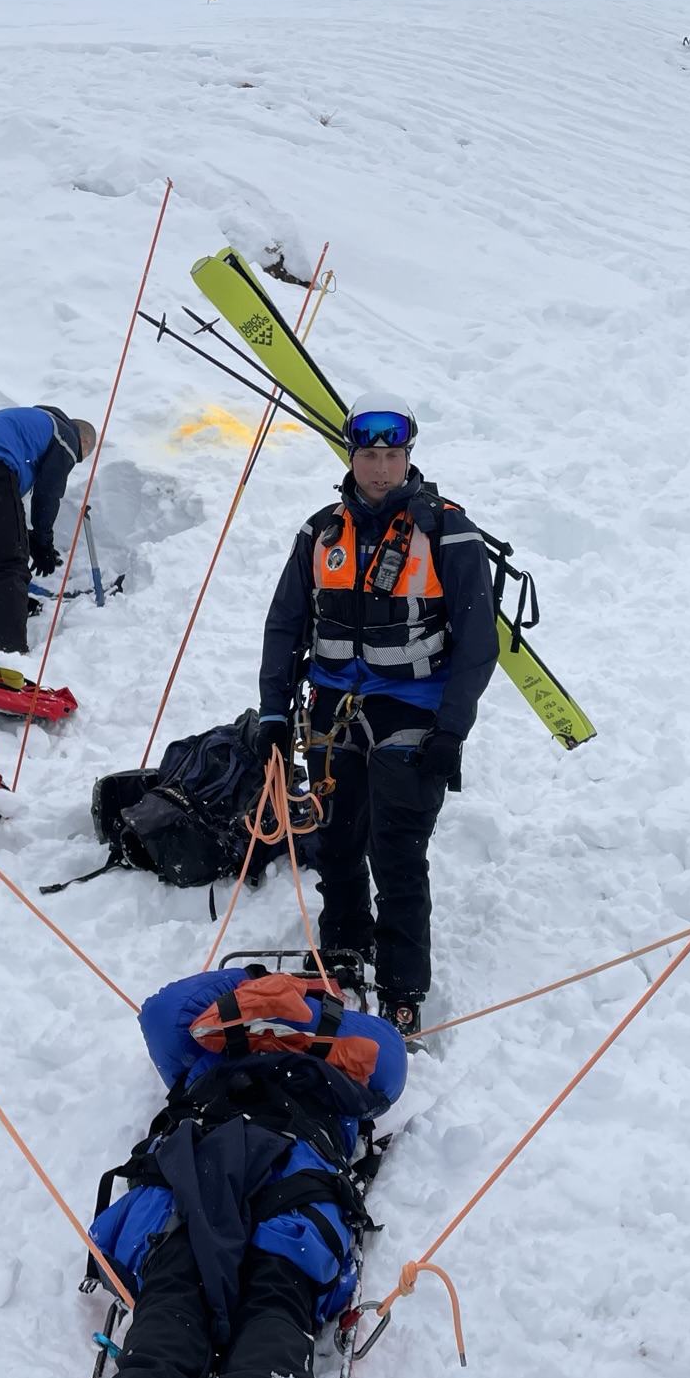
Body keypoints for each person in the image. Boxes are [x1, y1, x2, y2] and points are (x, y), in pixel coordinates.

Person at [253, 394, 499, 1039]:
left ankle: (401, 986)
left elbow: (479, 642)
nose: (381, 469)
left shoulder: (448, 531)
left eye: (393, 456)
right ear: (352, 456)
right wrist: (274, 713)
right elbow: (285, 626)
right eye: (369, 456)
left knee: (397, 852)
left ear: (409, 456)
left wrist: (452, 730)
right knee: (335, 842)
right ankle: (342, 948)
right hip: (332, 711)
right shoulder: (320, 533)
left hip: (413, 711)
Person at [84, 967, 405, 1378]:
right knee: (268, 1285)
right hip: (267, 1163)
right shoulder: (338, 1052)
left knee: (183, 1283)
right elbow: (160, 1012)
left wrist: (267, 995)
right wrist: (274, 990)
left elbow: (391, 1060)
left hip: (213, 1163)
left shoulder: (208, 1039)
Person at [0, 403, 94, 652]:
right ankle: (6, 648)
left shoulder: (34, 424)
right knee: (10, 564)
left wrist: (27, 536)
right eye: (81, 457)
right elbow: (48, 494)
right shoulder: (66, 435)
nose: (74, 460)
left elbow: (1, 512)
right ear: (84, 441)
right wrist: (42, 541)